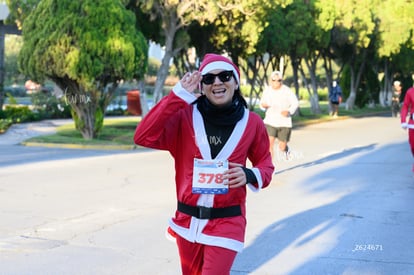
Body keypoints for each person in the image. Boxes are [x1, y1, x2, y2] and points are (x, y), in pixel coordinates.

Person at [134, 53, 274, 275]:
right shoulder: (184, 117)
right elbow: (143, 136)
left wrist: (249, 174)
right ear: (202, 85)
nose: (217, 82)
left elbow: (266, 165)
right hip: (187, 222)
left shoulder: (252, 123)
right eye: (209, 79)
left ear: (236, 82)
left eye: (225, 76)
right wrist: (177, 96)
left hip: (228, 221)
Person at [260, 71, 299, 160]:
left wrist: (289, 111)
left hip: (284, 122)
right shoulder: (267, 91)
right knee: (269, 145)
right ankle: (270, 168)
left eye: (279, 80)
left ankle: (286, 150)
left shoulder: (287, 90)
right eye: (274, 80)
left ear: (282, 80)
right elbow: (262, 103)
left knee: (282, 146)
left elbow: (295, 103)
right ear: (271, 80)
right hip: (270, 121)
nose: (276, 82)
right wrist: (263, 105)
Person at [400, 86, 414, 171]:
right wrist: (403, 121)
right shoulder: (410, 91)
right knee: (413, 146)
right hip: (413, 125)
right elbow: (405, 106)